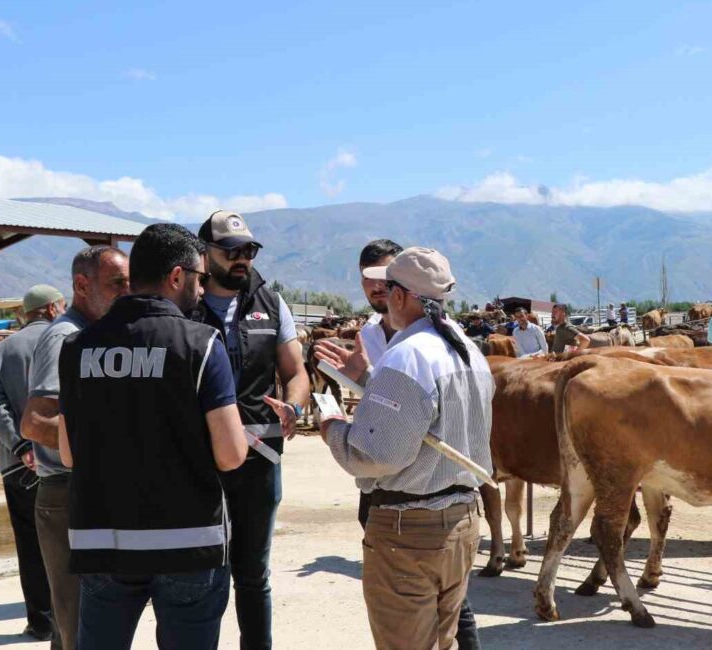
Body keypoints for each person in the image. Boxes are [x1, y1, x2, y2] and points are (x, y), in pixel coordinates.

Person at [57, 223, 247, 649]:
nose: (202, 290)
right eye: (199, 279)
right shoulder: (201, 344)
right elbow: (232, 454)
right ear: (176, 277)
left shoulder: (77, 348)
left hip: (102, 541)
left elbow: (68, 455)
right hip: (189, 542)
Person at [310, 247, 492, 650]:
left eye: (387, 285)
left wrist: (332, 427)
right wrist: (370, 379)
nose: (380, 292)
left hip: (408, 532)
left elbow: (376, 456)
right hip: (461, 519)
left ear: (400, 296)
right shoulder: (466, 349)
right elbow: (429, 419)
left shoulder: (407, 356)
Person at [192, 210, 310, 650]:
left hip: (261, 460)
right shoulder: (184, 304)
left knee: (253, 575)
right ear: (206, 254)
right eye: (232, 251)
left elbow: (297, 372)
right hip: (199, 462)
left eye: (250, 251)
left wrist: (294, 405)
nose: (243, 259)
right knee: (202, 572)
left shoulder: (271, 303)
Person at [21, 245, 130, 650]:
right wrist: (104, 448)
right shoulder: (65, 337)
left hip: (86, 490)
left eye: (130, 282)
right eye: (116, 283)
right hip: (65, 493)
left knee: (81, 623)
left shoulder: (97, 334)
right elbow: (34, 420)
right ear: (82, 286)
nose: (127, 291)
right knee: (76, 621)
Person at [0, 284, 66, 644]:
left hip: (17, 466)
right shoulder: (67, 341)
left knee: (30, 545)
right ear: (50, 309)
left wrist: (19, 446)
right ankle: (70, 620)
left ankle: (40, 621)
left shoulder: (3, 350)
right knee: (68, 545)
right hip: (64, 463)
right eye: (61, 305)